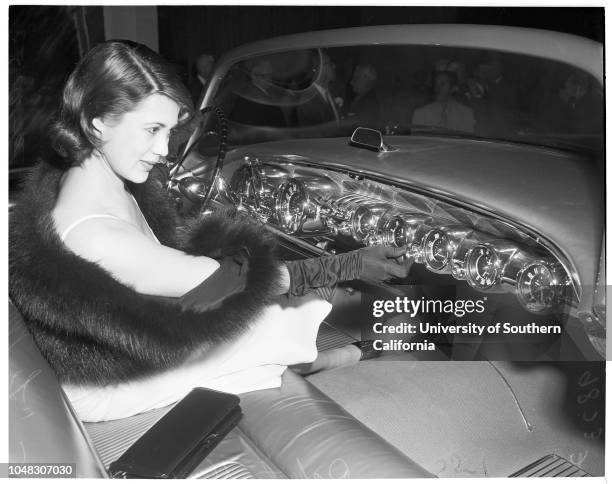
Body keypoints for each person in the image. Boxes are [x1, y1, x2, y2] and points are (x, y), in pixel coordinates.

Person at [8, 41, 410, 421]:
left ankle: (380, 335)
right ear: (98, 124)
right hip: (110, 380)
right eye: (151, 130)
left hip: (107, 340)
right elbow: (241, 282)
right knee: (267, 321)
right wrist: (352, 263)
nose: (164, 151)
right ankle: (362, 350)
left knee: (282, 312)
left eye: (169, 132)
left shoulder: (88, 176)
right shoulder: (99, 235)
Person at [344, 63, 380, 128]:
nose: (351, 82)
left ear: (366, 79)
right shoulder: (360, 99)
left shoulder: (369, 105)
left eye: (355, 79)